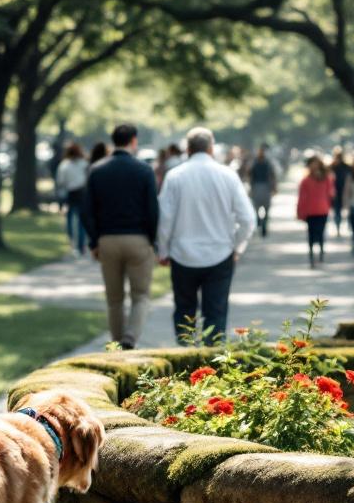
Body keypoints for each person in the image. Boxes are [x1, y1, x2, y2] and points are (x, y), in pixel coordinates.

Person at [156, 127, 255, 344]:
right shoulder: (228, 175)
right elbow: (247, 219)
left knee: (184, 312)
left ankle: (185, 357)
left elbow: (164, 220)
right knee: (216, 314)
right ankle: (212, 363)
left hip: (183, 254)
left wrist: (163, 250)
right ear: (211, 148)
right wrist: (236, 247)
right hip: (220, 253)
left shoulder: (175, 177)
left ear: (188, 149)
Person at [82, 124, 159, 350]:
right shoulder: (144, 170)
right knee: (141, 295)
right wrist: (153, 241)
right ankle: (130, 338)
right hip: (138, 239)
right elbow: (153, 210)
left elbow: (87, 211)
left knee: (114, 299)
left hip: (107, 240)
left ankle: (117, 344)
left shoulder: (96, 170)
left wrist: (94, 241)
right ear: (133, 141)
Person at [297, 155, 334, 268]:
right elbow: (302, 197)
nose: (314, 166)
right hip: (310, 211)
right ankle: (312, 256)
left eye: (316, 163)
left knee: (321, 232)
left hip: (322, 210)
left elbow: (331, 193)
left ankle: (321, 253)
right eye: (312, 164)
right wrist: (300, 211)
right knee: (311, 234)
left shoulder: (327, 178)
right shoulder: (305, 180)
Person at [55, 142, 89, 257]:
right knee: (80, 222)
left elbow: (60, 181)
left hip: (70, 194)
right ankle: (80, 245)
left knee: (70, 220)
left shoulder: (64, 165)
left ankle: (73, 243)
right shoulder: (84, 164)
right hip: (81, 193)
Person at [246, 145, 278, 238]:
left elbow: (272, 176)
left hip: (265, 187)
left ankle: (263, 224)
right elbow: (250, 176)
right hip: (257, 187)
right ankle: (260, 221)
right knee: (257, 208)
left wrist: (274, 187)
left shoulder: (268, 163)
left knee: (266, 209)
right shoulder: (254, 163)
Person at [329, 147, 352, 238]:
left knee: (349, 210)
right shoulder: (331, 167)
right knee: (337, 212)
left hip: (345, 191)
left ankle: (350, 227)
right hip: (336, 192)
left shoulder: (347, 167)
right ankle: (338, 228)